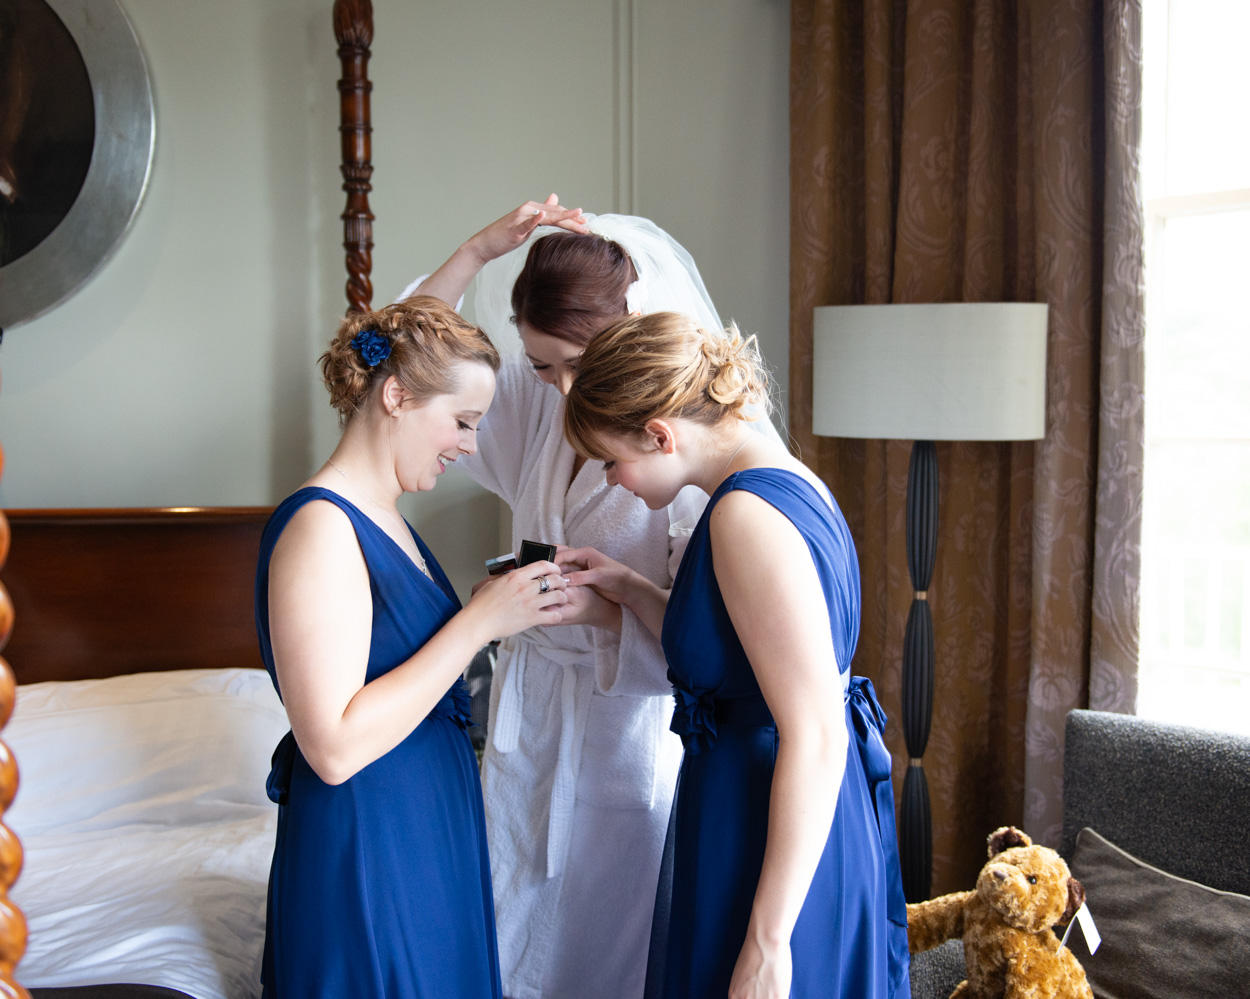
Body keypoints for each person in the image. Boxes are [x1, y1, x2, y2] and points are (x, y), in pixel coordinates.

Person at [404, 198, 779, 999]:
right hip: (531, 714)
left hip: (628, 731)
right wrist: (473, 252)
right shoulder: (540, 410)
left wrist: (608, 611)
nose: (567, 388)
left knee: (608, 952)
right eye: (543, 365)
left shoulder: (689, 465)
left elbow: (714, 656)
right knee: (507, 937)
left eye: (581, 360)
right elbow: (396, 359)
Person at [560, 312, 911, 999]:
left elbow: (813, 731)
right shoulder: (786, 480)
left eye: (610, 459)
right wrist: (630, 588)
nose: (613, 480)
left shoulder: (743, 514)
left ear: (659, 434)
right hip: (766, 807)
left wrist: (768, 939)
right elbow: (745, 662)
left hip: (767, 824)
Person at [254, 297, 570, 998]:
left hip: (426, 825)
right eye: (462, 421)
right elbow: (332, 746)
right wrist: (478, 624)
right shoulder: (321, 527)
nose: (469, 444)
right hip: (369, 838)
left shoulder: (385, 518)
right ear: (396, 394)